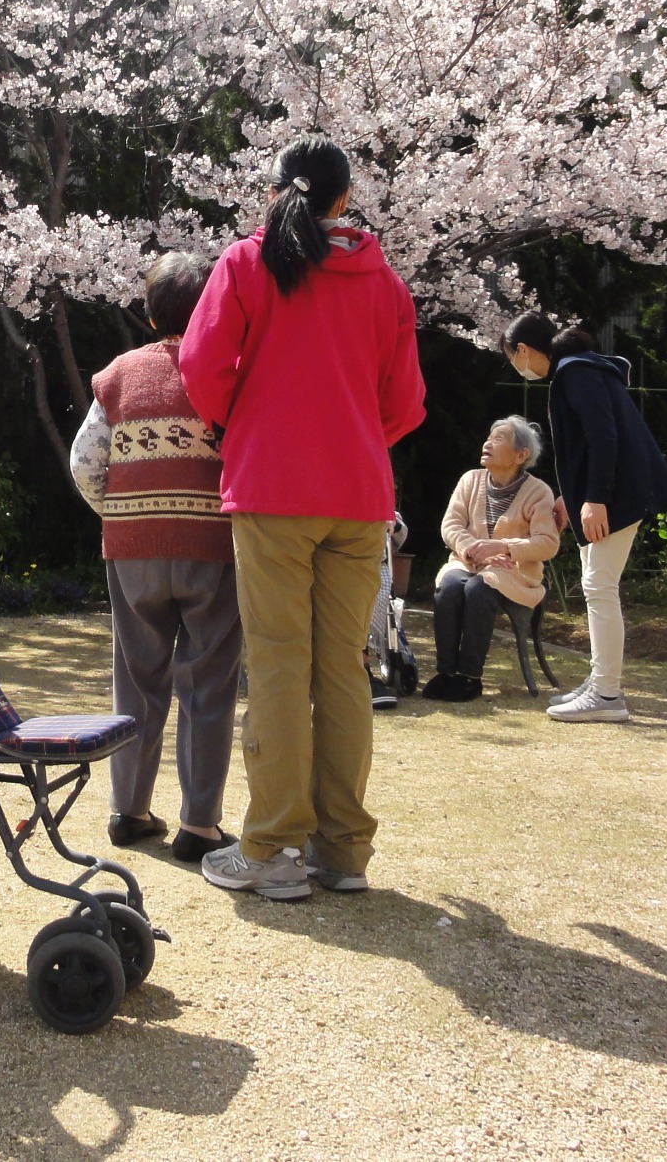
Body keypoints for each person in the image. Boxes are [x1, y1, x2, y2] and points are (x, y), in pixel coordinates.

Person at [180, 134, 425, 902]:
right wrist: (352, 440)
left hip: (271, 491)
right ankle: (344, 851)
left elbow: (200, 368)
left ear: (277, 189)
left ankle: (274, 848)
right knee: (344, 666)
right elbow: (406, 405)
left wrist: (240, 426)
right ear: (345, 199)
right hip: (359, 496)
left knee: (281, 666)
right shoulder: (384, 284)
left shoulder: (247, 265)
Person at [70, 251, 243, 865]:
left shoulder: (118, 375)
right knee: (208, 684)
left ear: (149, 315)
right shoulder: (231, 373)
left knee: (136, 677)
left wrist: (122, 514)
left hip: (133, 548)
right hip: (212, 547)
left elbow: (85, 462)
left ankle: (129, 809)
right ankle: (199, 825)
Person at [502, 313, 667, 724]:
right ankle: (601, 682)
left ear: (524, 350)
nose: (516, 365)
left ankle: (606, 693)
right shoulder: (578, 369)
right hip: (614, 492)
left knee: (599, 586)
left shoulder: (574, 372)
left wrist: (595, 498)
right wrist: (575, 495)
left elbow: (604, 437)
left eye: (513, 357)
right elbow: (591, 444)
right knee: (597, 584)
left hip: (617, 495)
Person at [425, 416, 560, 702]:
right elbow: (451, 525)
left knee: (478, 589)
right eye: (488, 437)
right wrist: (473, 549)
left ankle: (470, 677)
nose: (487, 443)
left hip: (515, 571)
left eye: (498, 439)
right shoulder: (470, 480)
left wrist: (504, 548)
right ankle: (446, 673)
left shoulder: (539, 491)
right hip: (467, 561)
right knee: (449, 586)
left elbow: (547, 543)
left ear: (520, 455)